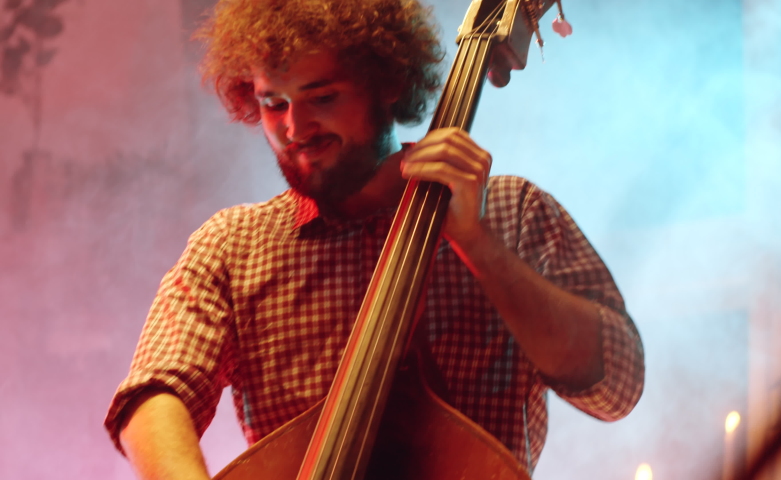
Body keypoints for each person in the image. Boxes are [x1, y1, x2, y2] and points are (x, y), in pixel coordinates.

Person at [104, 0, 645, 479]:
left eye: (323, 97)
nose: (296, 128)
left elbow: (615, 387)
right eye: (274, 104)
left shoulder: (514, 213)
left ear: (387, 85)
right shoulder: (230, 246)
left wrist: (479, 244)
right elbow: (154, 393)